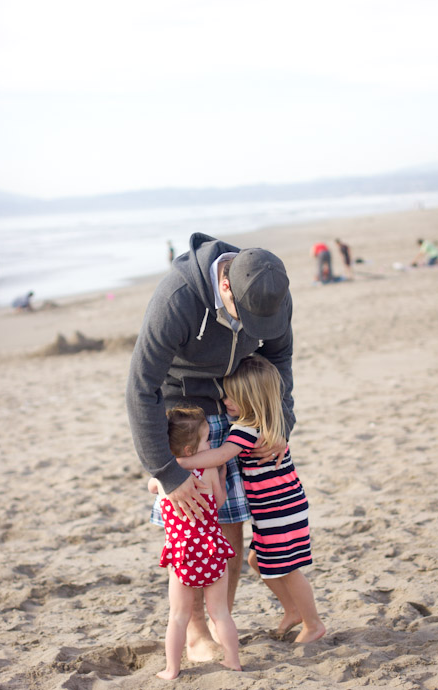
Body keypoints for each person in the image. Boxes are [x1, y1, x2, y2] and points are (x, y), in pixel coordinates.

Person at [126, 232, 294, 660]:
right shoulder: (178, 297)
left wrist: (281, 425)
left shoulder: (269, 291)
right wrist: (168, 472)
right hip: (182, 413)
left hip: (234, 407)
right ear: (224, 287)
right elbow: (140, 387)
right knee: (190, 534)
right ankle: (196, 632)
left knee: (228, 535)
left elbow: (281, 360)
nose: (254, 331)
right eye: (248, 319)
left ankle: (222, 618)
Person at [178, 355, 325, 645]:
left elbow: (220, 455)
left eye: (233, 397)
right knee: (258, 561)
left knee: (288, 570)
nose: (226, 402)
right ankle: (293, 610)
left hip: (278, 510)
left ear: (252, 400)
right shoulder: (271, 422)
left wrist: (179, 463)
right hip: (281, 507)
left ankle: (313, 624)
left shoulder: (247, 428)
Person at [148, 406, 241, 679]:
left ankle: (171, 669)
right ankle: (232, 660)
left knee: (178, 616)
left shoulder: (166, 479)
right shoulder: (209, 469)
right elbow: (220, 503)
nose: (211, 445)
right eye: (207, 440)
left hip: (183, 555)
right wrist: (222, 480)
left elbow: (151, 487)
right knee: (220, 613)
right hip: (212, 551)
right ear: (190, 450)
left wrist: (168, 468)